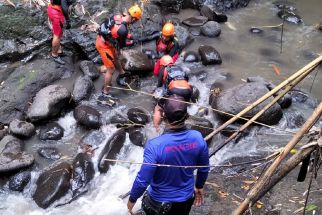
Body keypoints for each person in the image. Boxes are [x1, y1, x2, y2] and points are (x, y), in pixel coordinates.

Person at [127, 95, 210, 215]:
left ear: (164, 117)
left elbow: (143, 180)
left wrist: (132, 199)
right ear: (186, 116)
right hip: (186, 199)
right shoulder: (197, 137)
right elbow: (204, 168)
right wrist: (199, 186)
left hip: (159, 205)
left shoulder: (155, 145)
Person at [96, 4, 142, 96]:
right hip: (104, 46)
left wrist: (127, 36)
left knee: (116, 57)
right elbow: (122, 44)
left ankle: (122, 73)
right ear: (133, 19)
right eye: (136, 20)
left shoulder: (118, 16)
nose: (135, 22)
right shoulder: (123, 30)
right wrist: (131, 42)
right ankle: (105, 92)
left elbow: (114, 29)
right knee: (111, 70)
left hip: (106, 40)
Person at [153, 55, 192, 130]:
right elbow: (186, 80)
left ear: (162, 64)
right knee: (182, 107)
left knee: (158, 108)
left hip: (174, 89)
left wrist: (156, 95)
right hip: (187, 90)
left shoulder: (164, 69)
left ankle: (156, 128)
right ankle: (183, 123)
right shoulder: (181, 68)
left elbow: (159, 86)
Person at [47, 0, 73, 65]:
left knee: (58, 32)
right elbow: (65, 8)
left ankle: (58, 51)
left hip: (52, 8)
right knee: (57, 35)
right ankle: (54, 55)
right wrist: (68, 20)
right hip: (56, 13)